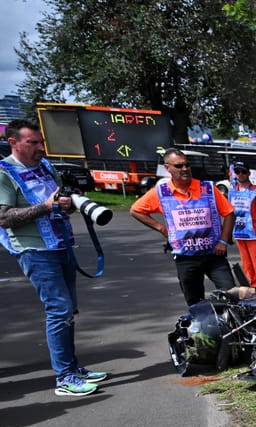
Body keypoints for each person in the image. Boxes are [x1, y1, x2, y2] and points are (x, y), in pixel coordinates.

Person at [0, 119, 108, 397]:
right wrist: (46, 206)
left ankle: (73, 367)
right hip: (35, 250)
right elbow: (4, 217)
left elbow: (61, 204)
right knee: (59, 310)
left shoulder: (46, 167)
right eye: (32, 143)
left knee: (69, 310)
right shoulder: (4, 172)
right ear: (14, 143)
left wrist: (68, 204)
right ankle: (65, 377)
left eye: (41, 142)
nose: (40, 148)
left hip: (62, 245)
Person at [130, 148, 237, 306]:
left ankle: (235, 328)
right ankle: (202, 330)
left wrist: (223, 241)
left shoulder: (207, 188)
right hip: (186, 258)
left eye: (187, 165)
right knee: (195, 303)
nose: (185, 169)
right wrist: (162, 229)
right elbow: (136, 210)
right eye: (179, 166)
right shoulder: (161, 193)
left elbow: (229, 213)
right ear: (168, 168)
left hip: (213, 254)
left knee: (231, 294)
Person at [228, 161, 256, 287]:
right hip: (240, 234)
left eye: (243, 171)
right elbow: (230, 213)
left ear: (249, 173)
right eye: (237, 172)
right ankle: (252, 290)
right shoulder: (232, 192)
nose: (240, 174)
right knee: (247, 266)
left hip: (255, 235)